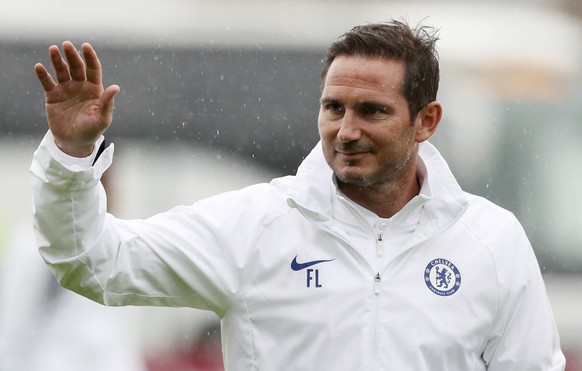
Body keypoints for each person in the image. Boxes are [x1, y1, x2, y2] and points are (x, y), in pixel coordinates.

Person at [30, 20, 565, 370]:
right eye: (334, 108)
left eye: (372, 111)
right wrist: (71, 154)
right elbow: (94, 262)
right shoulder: (258, 223)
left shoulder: (491, 240)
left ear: (426, 121)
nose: (346, 130)